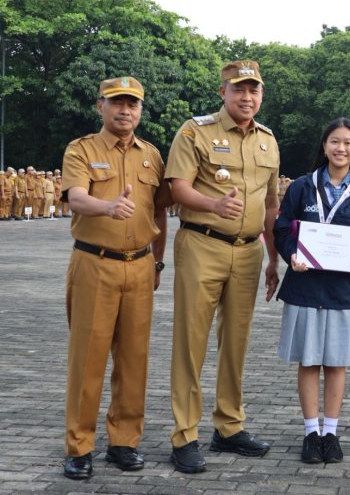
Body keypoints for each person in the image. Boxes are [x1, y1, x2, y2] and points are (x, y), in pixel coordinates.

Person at [165, 60, 280, 473]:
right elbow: (177, 187)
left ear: (261, 94)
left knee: (236, 342)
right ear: (223, 93)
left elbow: (271, 204)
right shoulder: (195, 131)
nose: (247, 97)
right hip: (202, 244)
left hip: (248, 252)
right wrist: (214, 204)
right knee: (190, 342)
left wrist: (274, 258)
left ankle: (229, 426)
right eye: (239, 90)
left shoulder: (268, 140)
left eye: (254, 90)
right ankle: (185, 435)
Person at [59, 76, 171, 479]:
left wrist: (157, 263)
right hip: (94, 263)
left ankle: (124, 441)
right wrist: (107, 208)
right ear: (100, 105)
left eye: (133, 104)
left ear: (141, 110)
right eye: (117, 103)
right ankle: (80, 446)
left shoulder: (152, 155)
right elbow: (75, 197)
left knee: (134, 357)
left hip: (140, 266)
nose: (126, 111)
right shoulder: (82, 149)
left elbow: (160, 211)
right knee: (87, 358)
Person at [274, 117, 350, 464]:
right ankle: (310, 433)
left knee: (336, 363)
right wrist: (291, 254)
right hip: (305, 286)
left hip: (344, 290)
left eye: (348, 143)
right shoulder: (302, 187)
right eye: (335, 141)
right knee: (309, 361)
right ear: (324, 146)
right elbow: (282, 227)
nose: (341, 148)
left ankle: (331, 433)